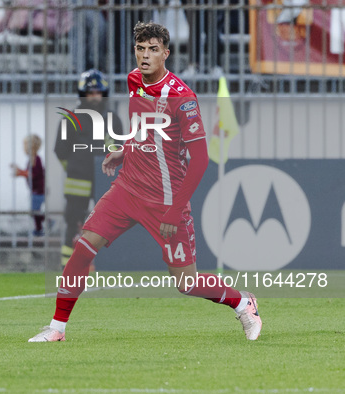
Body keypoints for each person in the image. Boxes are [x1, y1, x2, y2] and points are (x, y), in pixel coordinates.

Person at [29, 21, 262, 342]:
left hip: (166, 201)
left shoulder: (184, 98)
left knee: (187, 283)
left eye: (153, 49)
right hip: (126, 189)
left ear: (166, 53)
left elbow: (201, 159)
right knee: (82, 250)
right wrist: (124, 152)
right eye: (140, 49)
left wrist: (174, 210)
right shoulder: (133, 80)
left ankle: (242, 302)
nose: (145, 55)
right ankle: (57, 329)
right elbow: (144, 130)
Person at [55, 69, 122, 267]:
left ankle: (107, 265)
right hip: (78, 183)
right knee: (73, 226)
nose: (94, 97)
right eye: (90, 93)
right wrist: (76, 170)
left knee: (109, 226)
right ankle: (67, 267)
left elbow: (121, 150)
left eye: (98, 92)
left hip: (107, 182)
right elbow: (60, 151)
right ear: (82, 94)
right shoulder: (70, 119)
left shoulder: (113, 119)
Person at [12, 134, 46, 236]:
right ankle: (42, 225)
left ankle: (41, 227)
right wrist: (21, 172)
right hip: (35, 190)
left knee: (35, 211)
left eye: (25, 146)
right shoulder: (32, 159)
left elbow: (34, 174)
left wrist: (21, 173)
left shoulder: (36, 159)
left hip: (38, 191)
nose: (24, 149)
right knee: (35, 211)